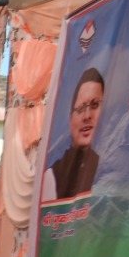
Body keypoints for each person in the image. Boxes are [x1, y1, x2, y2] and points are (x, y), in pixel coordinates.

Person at [47, 68, 104, 200]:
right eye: (80, 109)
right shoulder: (52, 177)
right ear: (70, 118)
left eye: (95, 105)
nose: (87, 116)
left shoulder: (110, 170)